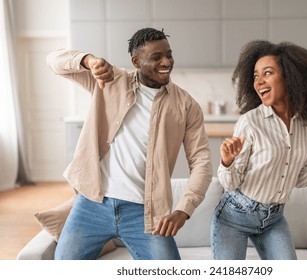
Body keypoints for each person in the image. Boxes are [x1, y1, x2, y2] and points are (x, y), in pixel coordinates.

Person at [47, 27, 212, 260]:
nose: (166, 62)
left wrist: (183, 210)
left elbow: (202, 163)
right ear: (136, 61)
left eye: (169, 54)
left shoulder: (186, 105)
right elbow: (53, 61)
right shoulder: (109, 80)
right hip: (92, 205)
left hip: (145, 214)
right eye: (156, 57)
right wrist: (88, 60)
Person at [210, 40, 307, 260]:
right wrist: (226, 162)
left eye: (267, 73)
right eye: (255, 76)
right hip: (234, 217)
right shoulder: (250, 122)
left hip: (274, 219)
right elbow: (230, 184)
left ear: (290, 77)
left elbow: (298, 178)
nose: (259, 81)